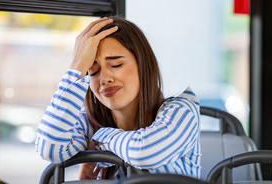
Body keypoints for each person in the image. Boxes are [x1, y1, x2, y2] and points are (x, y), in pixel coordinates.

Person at [35, 16, 201, 180]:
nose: (104, 78)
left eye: (116, 65)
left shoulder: (182, 112)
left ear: (143, 65)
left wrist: (100, 140)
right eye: (92, 71)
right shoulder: (90, 122)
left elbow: (144, 152)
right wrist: (77, 66)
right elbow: (49, 148)